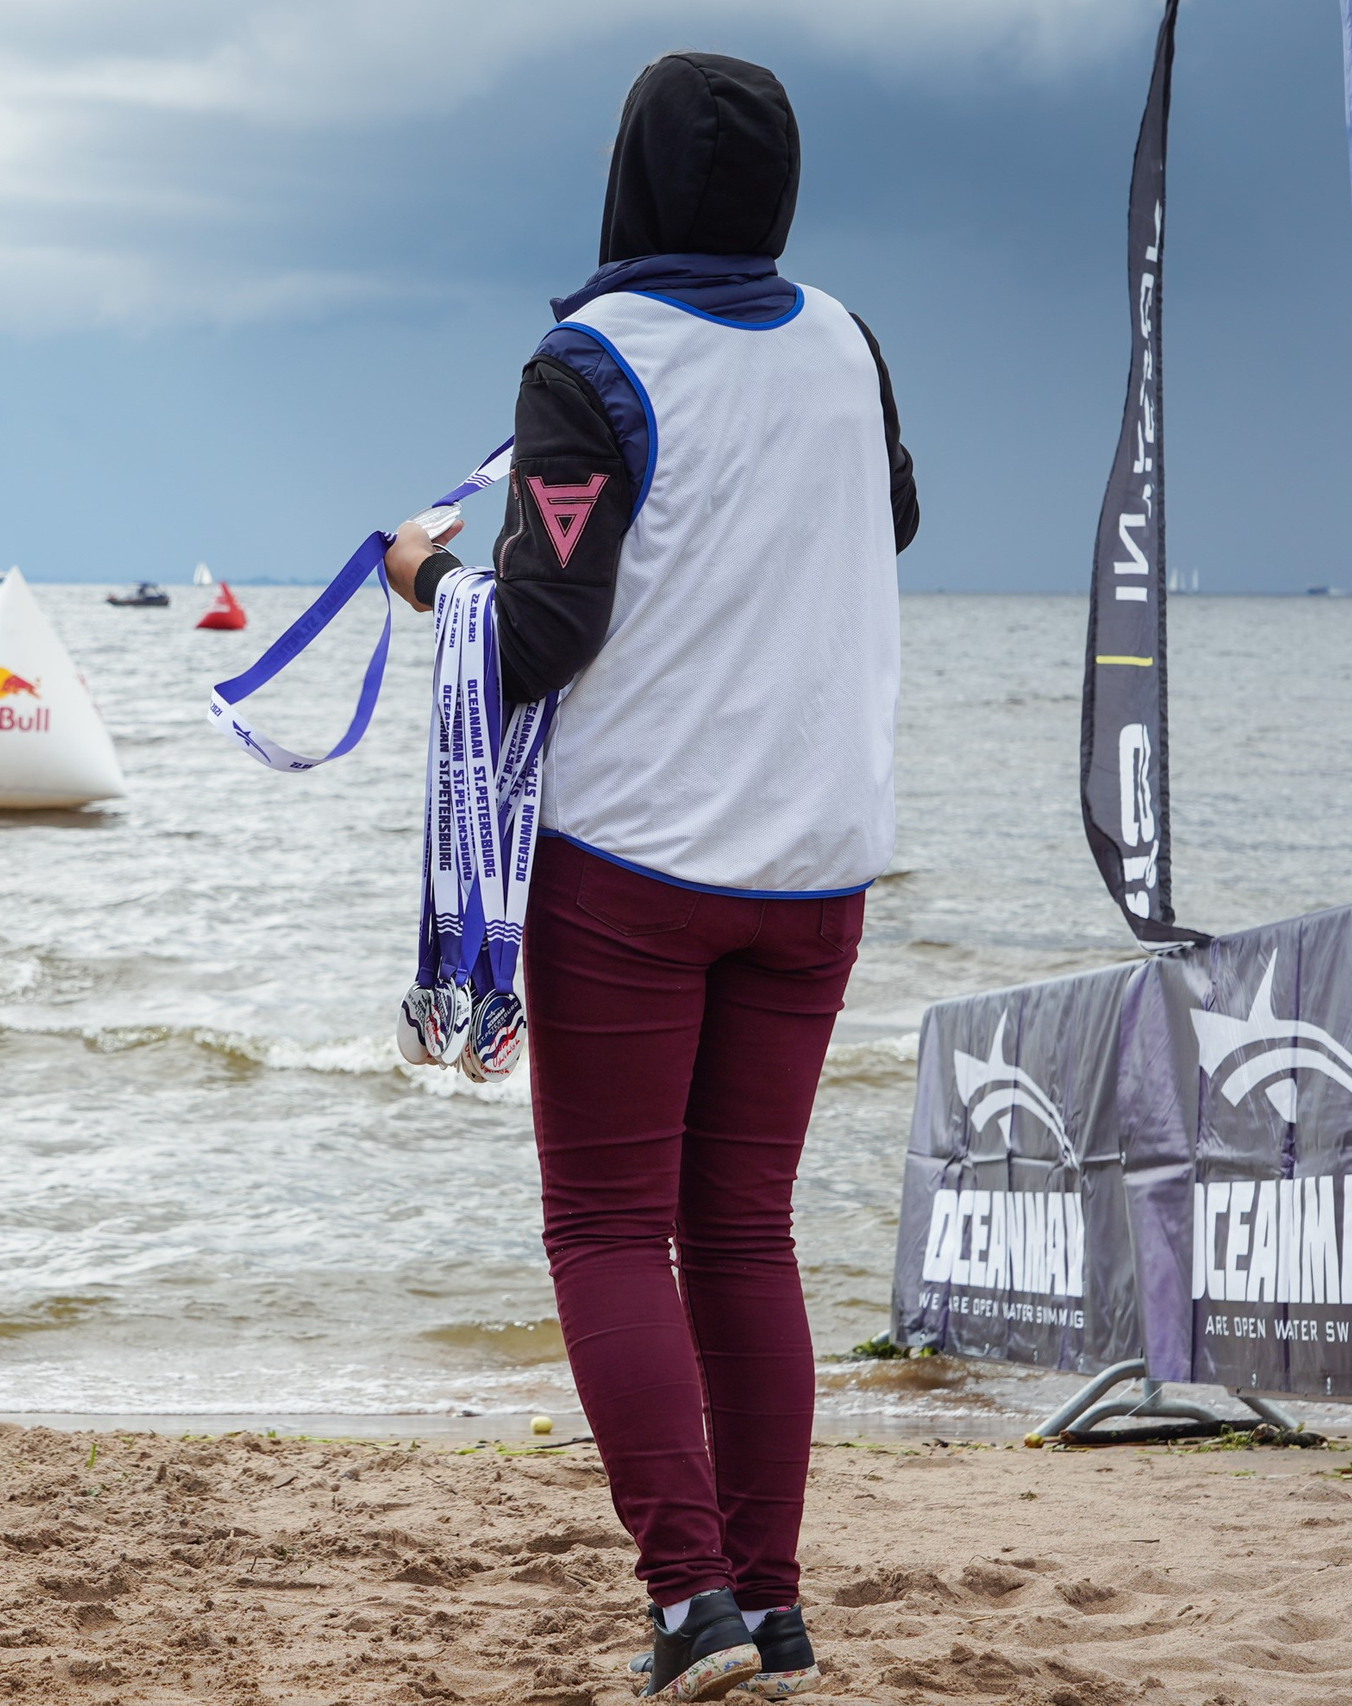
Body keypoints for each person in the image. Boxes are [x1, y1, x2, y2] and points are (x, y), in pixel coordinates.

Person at [383, 52, 918, 1703]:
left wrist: (432, 578)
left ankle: (692, 1606)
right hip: (818, 858)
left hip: (635, 857)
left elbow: (541, 637)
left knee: (609, 1225)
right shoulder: (847, 339)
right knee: (743, 1231)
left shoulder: (588, 361)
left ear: (628, 182)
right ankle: (775, 1602)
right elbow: (881, 520)